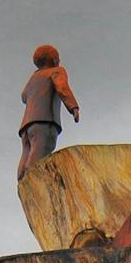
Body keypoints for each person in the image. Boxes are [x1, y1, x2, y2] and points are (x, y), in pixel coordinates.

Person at [17, 45, 81, 179]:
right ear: (53, 59)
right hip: (45, 120)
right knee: (40, 152)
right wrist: (73, 107)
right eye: (57, 57)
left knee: (26, 152)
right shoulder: (56, 71)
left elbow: (24, 96)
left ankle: (22, 179)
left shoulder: (34, 77)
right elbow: (62, 88)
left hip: (27, 125)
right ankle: (33, 179)